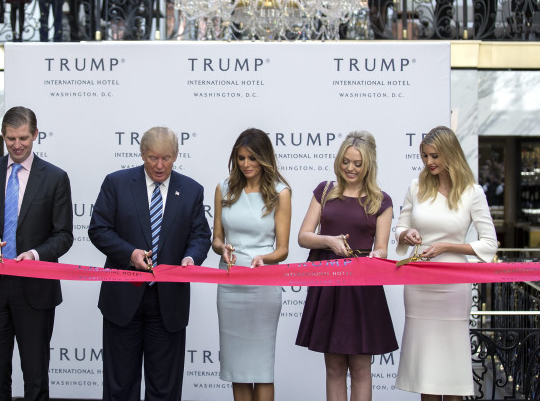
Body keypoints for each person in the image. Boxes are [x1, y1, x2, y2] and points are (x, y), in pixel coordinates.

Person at [88, 126, 211, 401]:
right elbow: (99, 229)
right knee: (120, 387)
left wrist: (191, 258)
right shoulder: (116, 183)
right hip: (123, 300)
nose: (159, 165)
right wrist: (129, 253)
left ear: (176, 155)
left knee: (165, 388)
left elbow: (201, 235)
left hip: (168, 302)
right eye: (153, 157)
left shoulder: (191, 190)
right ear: (142, 154)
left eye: (166, 158)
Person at [0, 106, 73, 400]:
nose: (17, 145)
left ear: (35, 135)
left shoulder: (55, 178)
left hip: (35, 289)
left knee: (35, 378)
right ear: (3, 136)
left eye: (23, 137)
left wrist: (35, 254)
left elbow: (64, 235)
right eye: (11, 139)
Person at [395, 126, 498, 400]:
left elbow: (490, 243)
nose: (429, 162)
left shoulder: (472, 192)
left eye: (435, 156)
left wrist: (447, 246)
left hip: (454, 285)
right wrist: (407, 234)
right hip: (420, 285)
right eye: (425, 156)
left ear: (450, 154)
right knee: (427, 373)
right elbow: (400, 228)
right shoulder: (416, 188)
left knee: (451, 375)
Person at [295, 131, 398, 401]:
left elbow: (383, 248)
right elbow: (303, 236)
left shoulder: (381, 200)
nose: (350, 168)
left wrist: (376, 256)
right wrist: (329, 241)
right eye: (346, 162)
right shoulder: (325, 191)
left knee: (362, 367)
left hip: (363, 286)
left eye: (357, 163)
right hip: (329, 282)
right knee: (334, 366)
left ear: (368, 165)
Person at [213, 128, 291, 401]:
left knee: (261, 368)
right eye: (241, 158)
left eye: (252, 159)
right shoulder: (223, 189)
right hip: (231, 283)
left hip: (263, 284)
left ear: (264, 159)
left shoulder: (280, 193)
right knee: (238, 369)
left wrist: (263, 258)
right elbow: (216, 240)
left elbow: (282, 250)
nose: (246, 164)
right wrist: (222, 248)